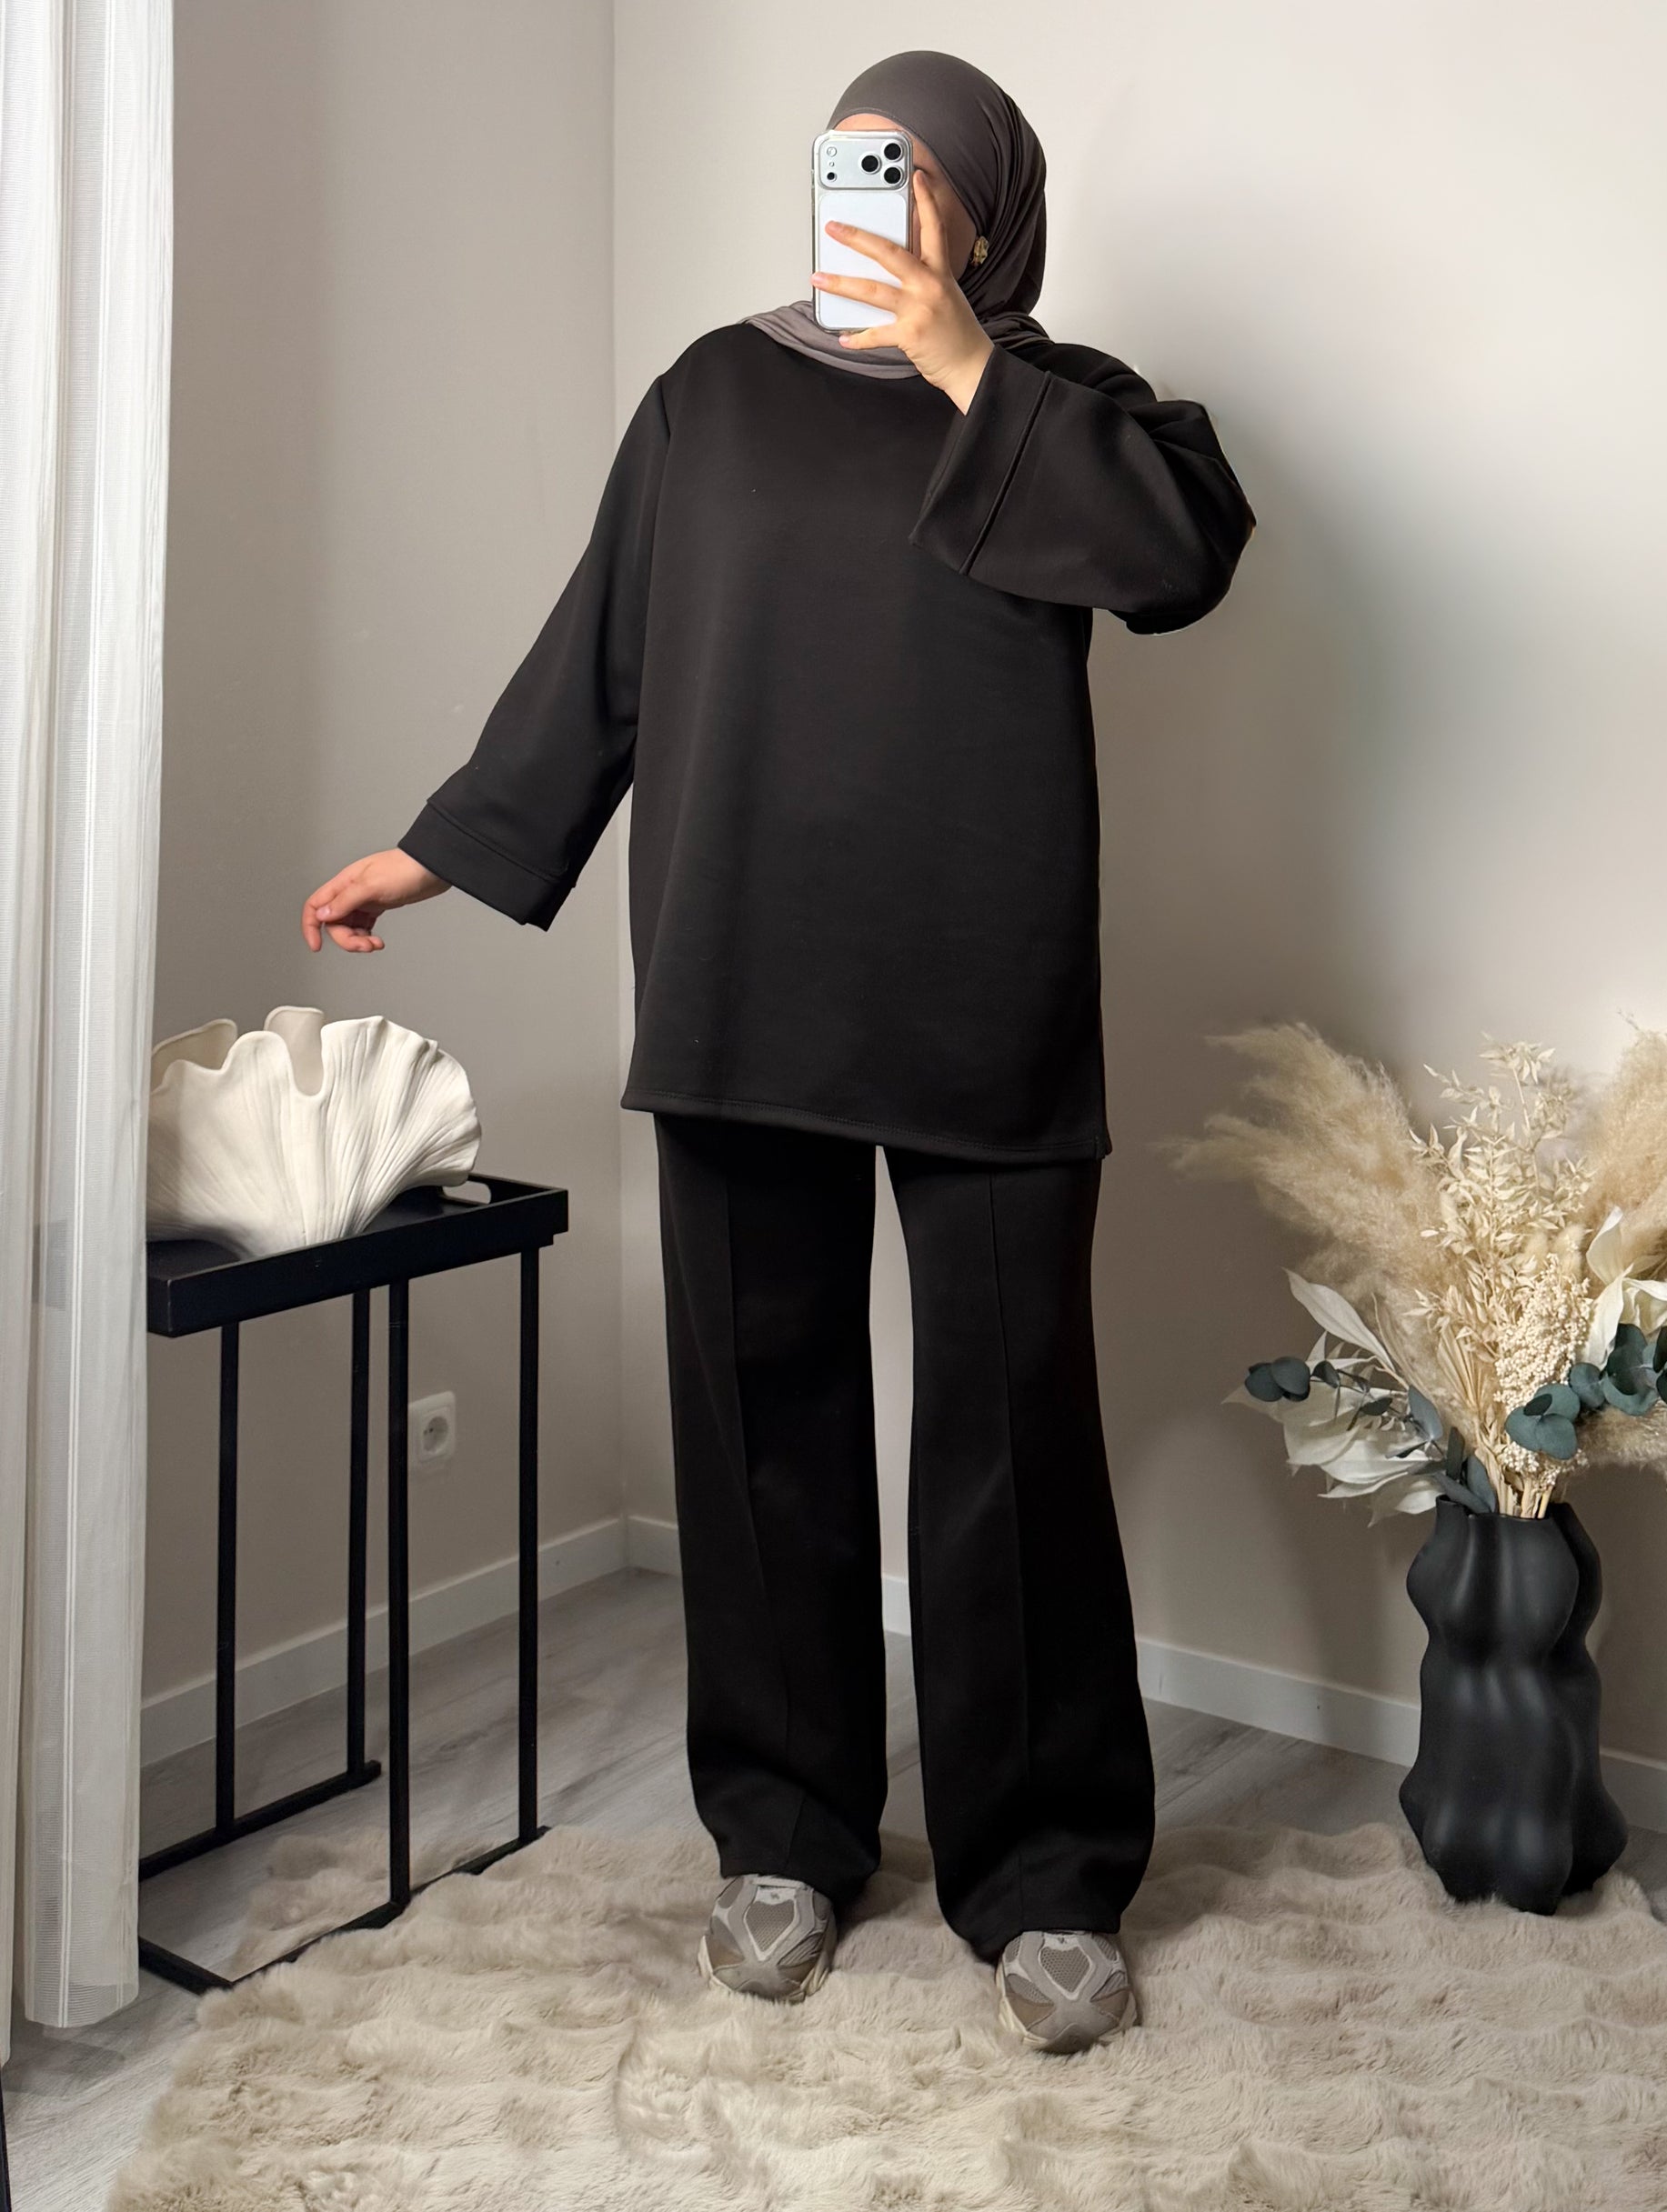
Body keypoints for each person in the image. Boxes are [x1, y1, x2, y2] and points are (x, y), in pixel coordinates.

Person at [301, 49, 1255, 2057]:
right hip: (744, 976)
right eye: (845, 162)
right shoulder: (707, 398)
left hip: (982, 990)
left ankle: (1044, 1870)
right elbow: (601, 660)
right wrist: (442, 846)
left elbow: (1179, 557)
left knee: (1009, 1441)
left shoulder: (1069, 405)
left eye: (912, 173)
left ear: (983, 208)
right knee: (757, 1428)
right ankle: (786, 1834)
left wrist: (962, 361)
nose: (870, 198)